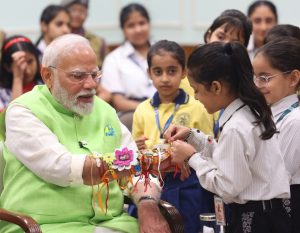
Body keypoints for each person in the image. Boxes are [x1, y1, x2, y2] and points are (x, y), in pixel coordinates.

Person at [0, 34, 170, 233]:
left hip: (112, 224)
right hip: (46, 226)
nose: (91, 85)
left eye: (95, 74)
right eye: (78, 76)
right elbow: (61, 168)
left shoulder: (104, 110)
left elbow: (137, 172)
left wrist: (147, 204)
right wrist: (140, 162)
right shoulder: (23, 111)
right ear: (48, 76)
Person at [164, 41, 291, 233]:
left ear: (216, 87)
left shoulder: (235, 127)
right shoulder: (248, 111)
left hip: (256, 219)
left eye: (196, 90)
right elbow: (232, 160)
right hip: (269, 213)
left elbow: (226, 187)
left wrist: (192, 157)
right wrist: (192, 136)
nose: (196, 97)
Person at [132, 40, 214, 233]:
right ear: (149, 73)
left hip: (188, 182)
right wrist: (137, 147)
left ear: (183, 72)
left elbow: (209, 149)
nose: (165, 78)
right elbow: (136, 152)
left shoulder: (198, 106)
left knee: (190, 227)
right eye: (158, 72)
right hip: (152, 183)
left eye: (172, 71)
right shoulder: (142, 110)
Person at [252, 37, 300, 233]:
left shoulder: (295, 121)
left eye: (265, 78)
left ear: (293, 78)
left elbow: (277, 176)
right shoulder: (269, 113)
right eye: (255, 77)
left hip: (287, 211)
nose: (258, 84)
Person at [101, 3, 156, 131]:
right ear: (123, 30)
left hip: (167, 108)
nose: (138, 29)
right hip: (131, 113)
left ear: (149, 23)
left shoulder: (163, 52)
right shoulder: (113, 59)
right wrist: (152, 110)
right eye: (131, 25)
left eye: (142, 23)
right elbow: (118, 101)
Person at [61, 0, 111, 103]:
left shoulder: (98, 42)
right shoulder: (58, 38)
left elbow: (105, 73)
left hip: (93, 89)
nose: (77, 15)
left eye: (82, 11)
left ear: (87, 14)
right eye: (73, 10)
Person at [0, 35, 42, 112]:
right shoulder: (2, 93)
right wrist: (17, 78)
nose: (28, 71)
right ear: (7, 67)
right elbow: (14, 115)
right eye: (19, 64)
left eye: (30, 61)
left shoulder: (45, 84)